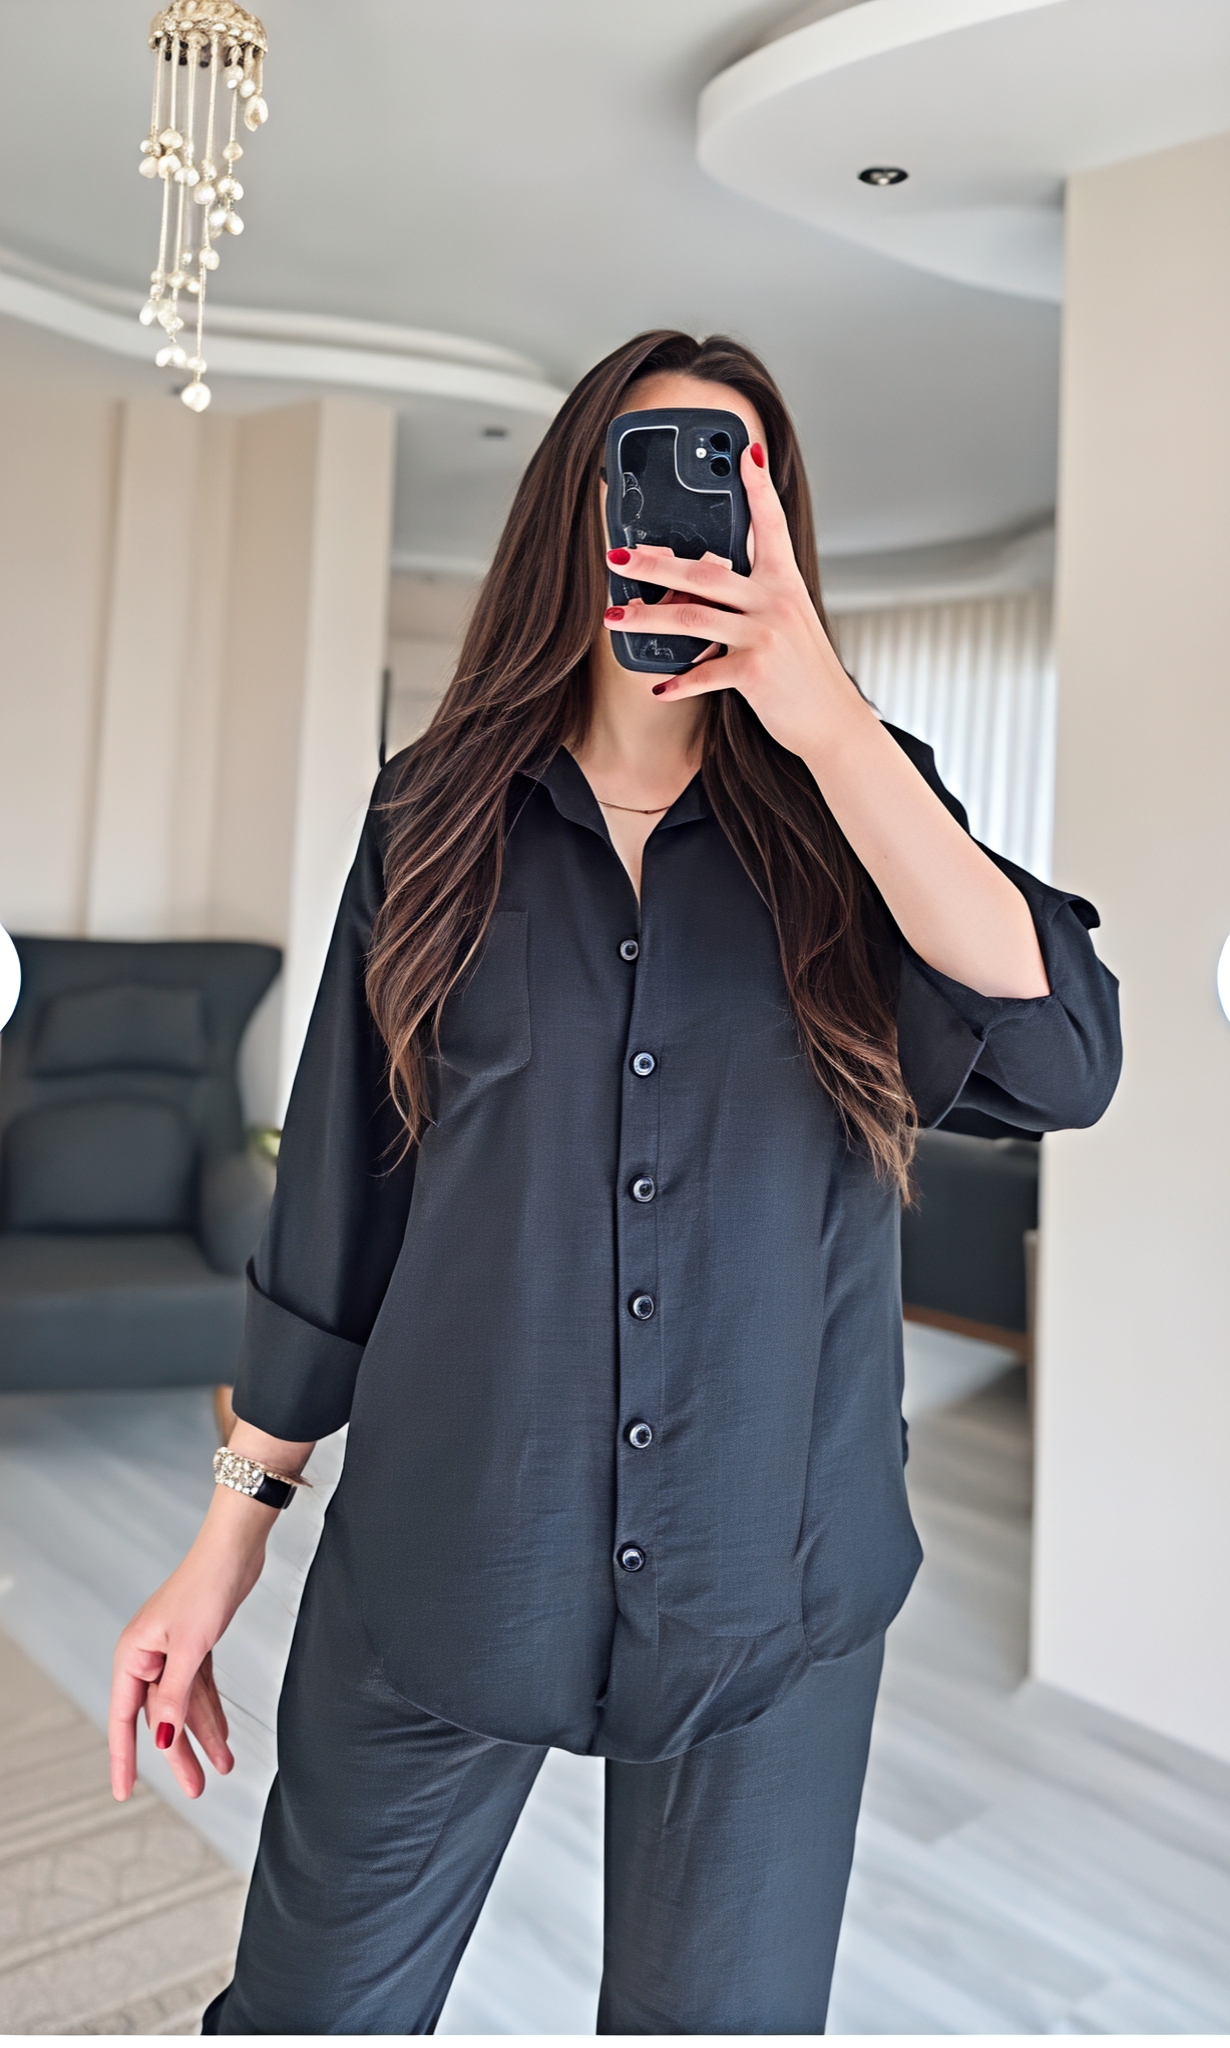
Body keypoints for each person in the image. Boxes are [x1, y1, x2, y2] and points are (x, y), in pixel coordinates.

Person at [109, 330, 1121, 2035]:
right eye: (642, 471)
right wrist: (229, 1538)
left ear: (776, 527)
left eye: (733, 479)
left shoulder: (866, 811)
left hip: (774, 1592)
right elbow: (343, 1205)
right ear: (573, 514)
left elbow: (1065, 1061)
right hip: (443, 1559)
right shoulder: (432, 811)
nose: (682, 515)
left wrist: (825, 716)